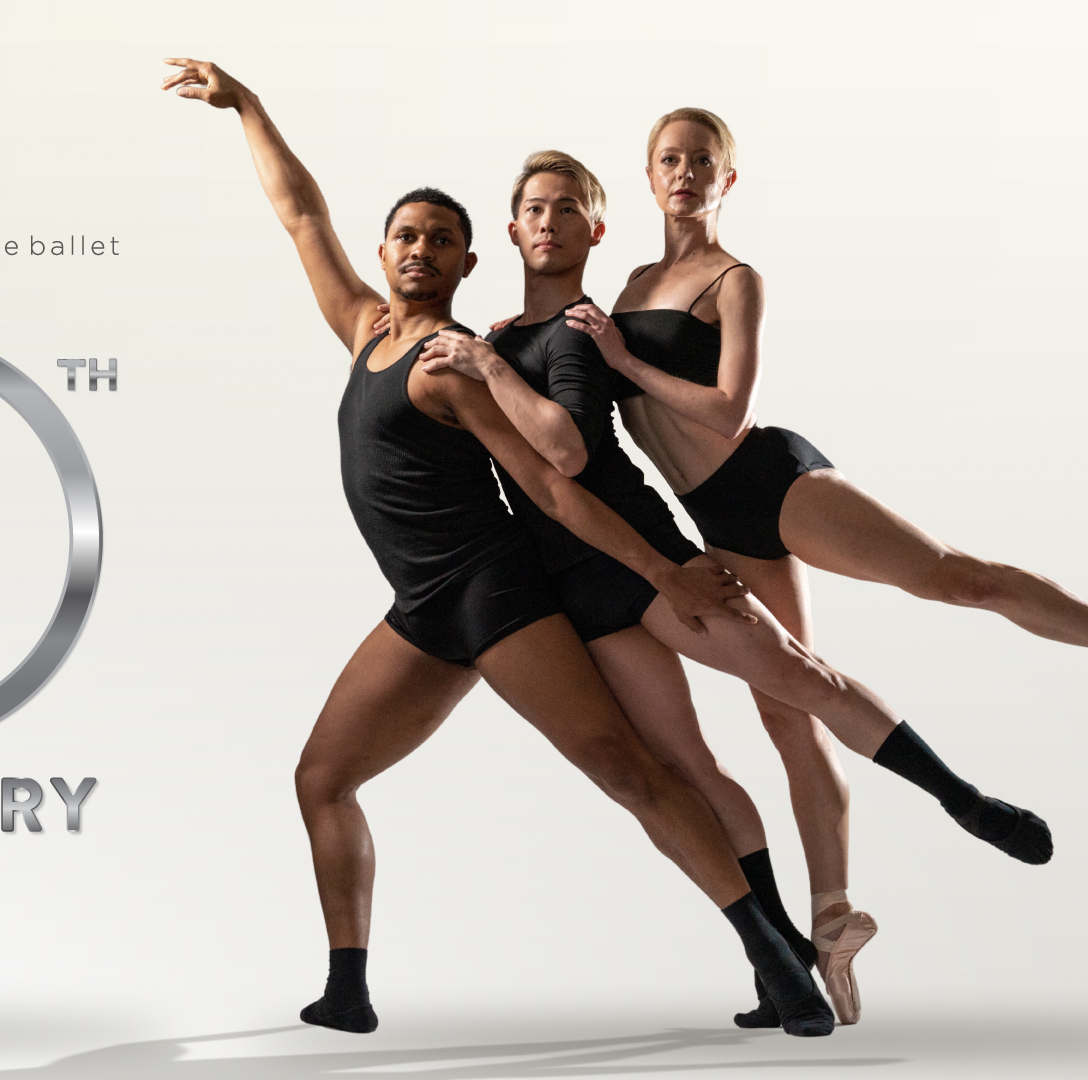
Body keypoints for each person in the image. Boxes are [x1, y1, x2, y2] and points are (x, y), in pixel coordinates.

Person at [162, 58, 836, 1038]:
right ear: (385, 250)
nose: (419, 249)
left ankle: (775, 956)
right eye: (406, 234)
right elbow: (300, 214)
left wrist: (661, 570)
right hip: (422, 606)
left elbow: (551, 489)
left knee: (629, 770)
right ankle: (347, 985)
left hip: (495, 595)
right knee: (322, 778)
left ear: (467, 264)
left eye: (442, 239)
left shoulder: (451, 368)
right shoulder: (363, 331)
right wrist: (248, 108)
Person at [403, 151, 1039, 1027]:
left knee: (801, 681)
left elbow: (569, 453)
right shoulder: (497, 338)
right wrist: (485, 359)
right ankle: (781, 965)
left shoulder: (579, 332)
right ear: (511, 231)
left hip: (647, 559)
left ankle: (963, 799)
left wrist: (494, 369)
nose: (546, 223)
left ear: (595, 231)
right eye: (532, 211)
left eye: (565, 210)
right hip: (575, 587)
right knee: (689, 768)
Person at [568, 107, 1088, 707]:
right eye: (670, 160)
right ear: (650, 178)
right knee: (789, 704)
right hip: (714, 517)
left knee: (957, 580)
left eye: (702, 160)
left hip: (771, 482)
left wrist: (625, 361)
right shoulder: (628, 289)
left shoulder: (736, 279)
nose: (685, 171)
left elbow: (728, 412)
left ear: (727, 180)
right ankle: (825, 866)